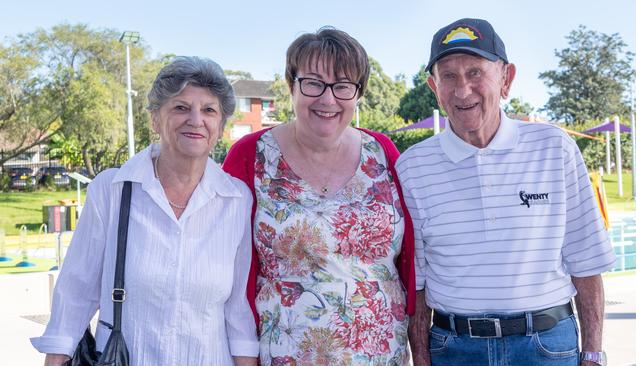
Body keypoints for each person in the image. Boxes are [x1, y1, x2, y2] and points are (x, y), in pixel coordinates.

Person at [397, 18, 616, 366]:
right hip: (454, 350)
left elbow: (586, 260)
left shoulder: (554, 148)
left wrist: (593, 353)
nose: (462, 89)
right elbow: (417, 283)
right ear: (433, 87)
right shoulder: (412, 167)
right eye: (448, 76)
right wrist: (421, 360)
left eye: (475, 73)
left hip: (547, 346)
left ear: (506, 78)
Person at [31, 56, 258, 366]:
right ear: (155, 119)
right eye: (180, 107)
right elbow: (75, 294)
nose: (195, 119)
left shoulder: (236, 200)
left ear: (220, 126)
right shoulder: (112, 189)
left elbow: (237, 311)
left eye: (209, 110)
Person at [222, 27, 416, 365]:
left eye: (343, 86)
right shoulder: (249, 155)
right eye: (313, 83)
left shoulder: (383, 153)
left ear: (358, 94)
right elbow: (222, 265)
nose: (328, 99)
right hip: (285, 355)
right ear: (291, 86)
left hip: (383, 356)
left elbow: (412, 260)